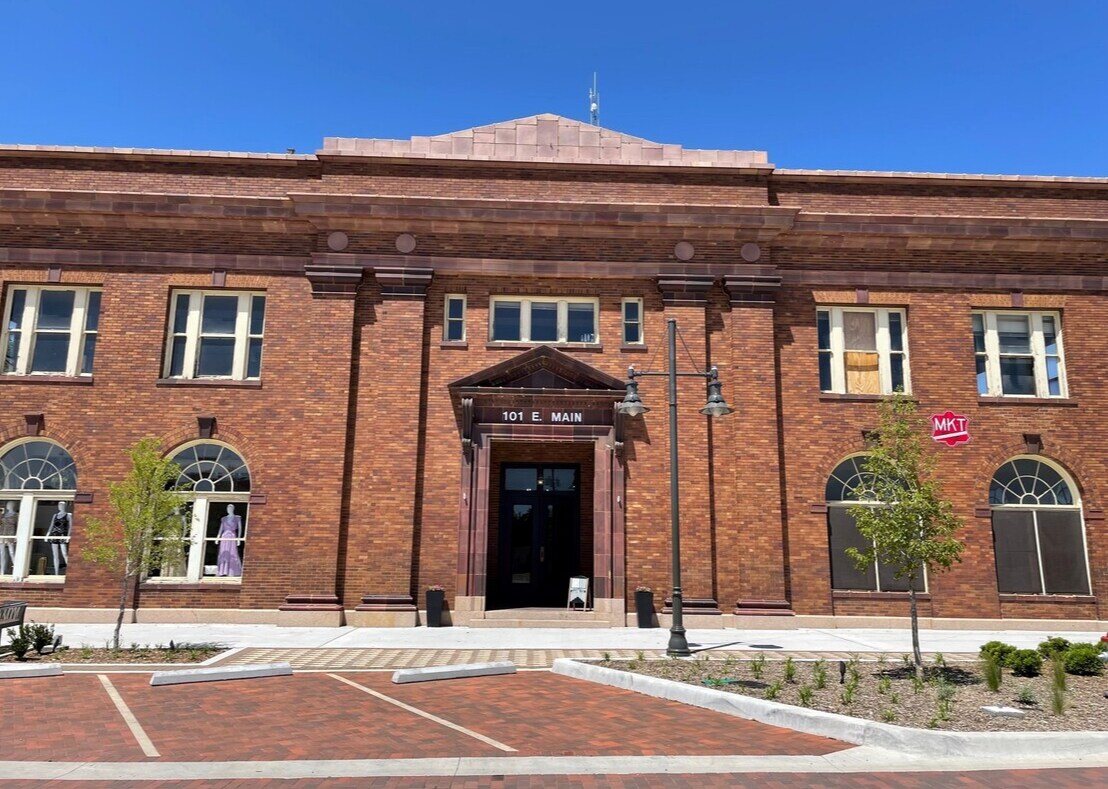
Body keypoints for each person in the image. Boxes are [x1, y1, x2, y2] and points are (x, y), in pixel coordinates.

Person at [216, 504, 243, 577]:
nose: (228, 510)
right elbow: (221, 529)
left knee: (232, 552)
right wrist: (218, 537)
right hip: (224, 536)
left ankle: (232, 571)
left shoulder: (237, 518)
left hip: (232, 536)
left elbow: (240, 529)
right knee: (224, 552)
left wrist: (239, 539)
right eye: (228, 508)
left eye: (230, 508)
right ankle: (222, 571)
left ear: (233, 509)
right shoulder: (224, 519)